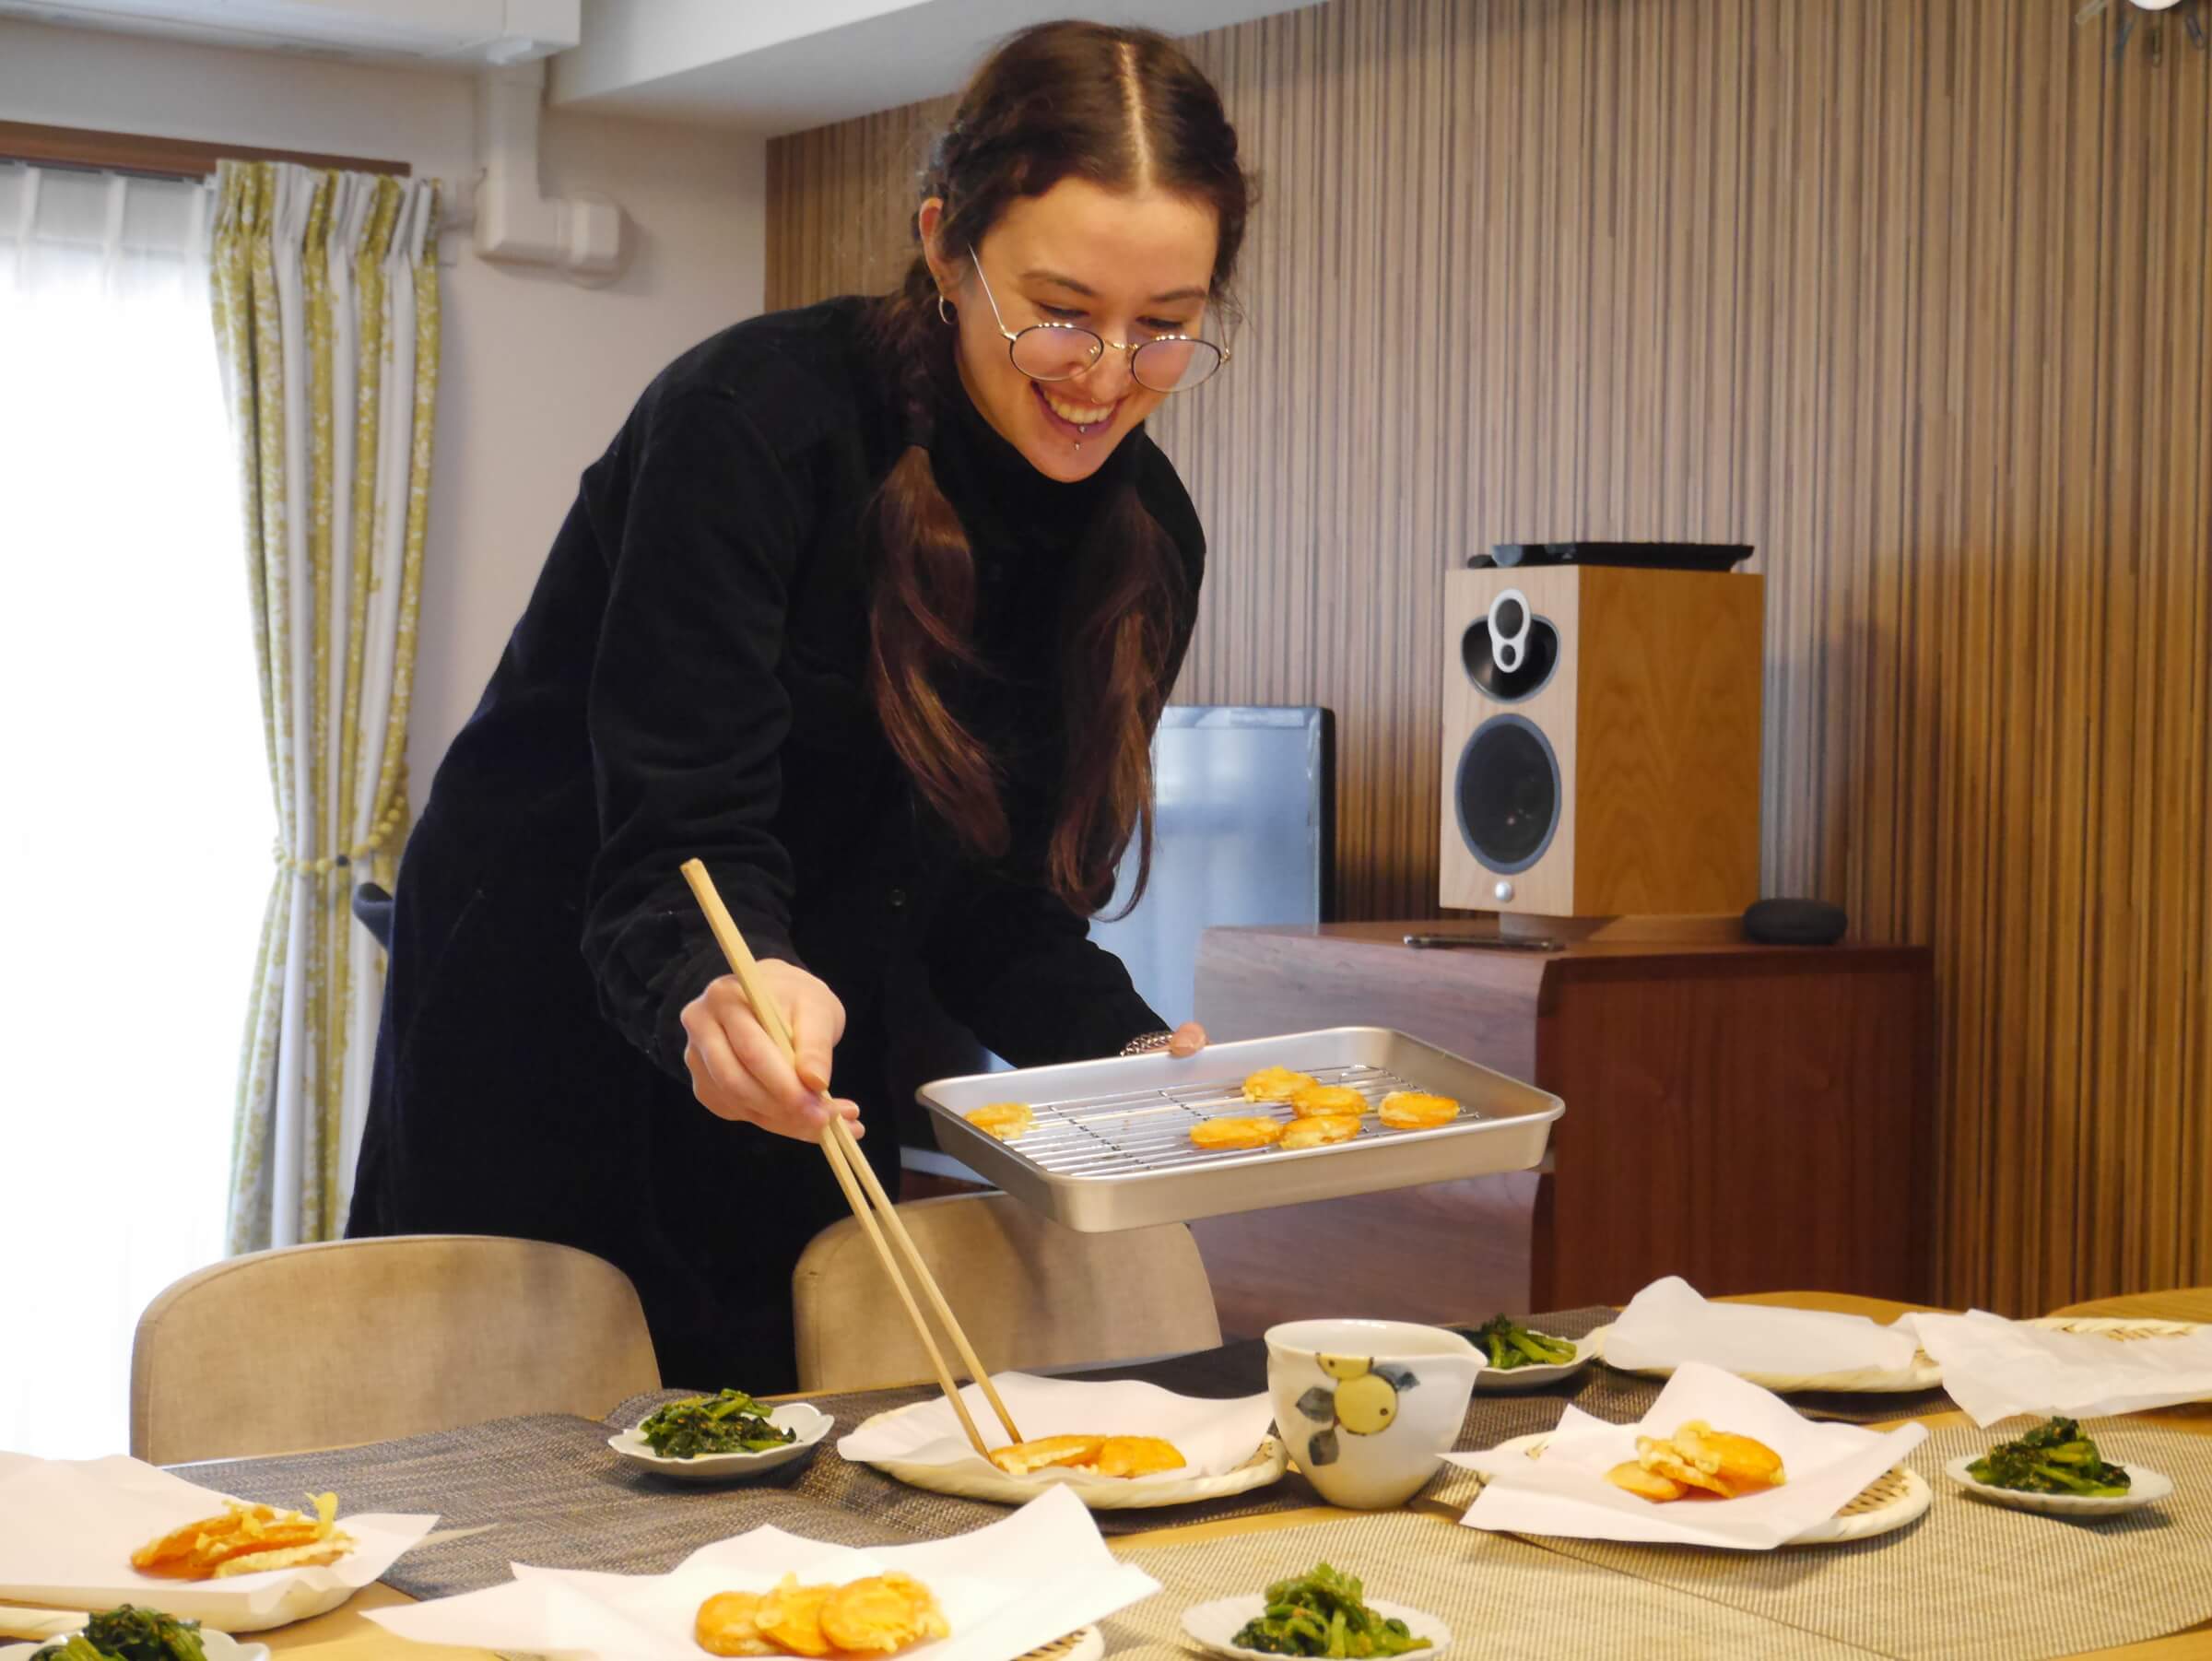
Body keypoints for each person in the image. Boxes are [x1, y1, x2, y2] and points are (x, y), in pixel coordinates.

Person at [347, 20, 1254, 1391]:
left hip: (809, 1021)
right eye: (1060, 310)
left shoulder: (1145, 542)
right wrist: (729, 979)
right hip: (559, 989)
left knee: (794, 1436)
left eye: (1166, 326)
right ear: (946, 245)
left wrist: (1135, 1058)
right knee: (516, 1460)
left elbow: (991, 900)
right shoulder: (753, 426)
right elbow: (673, 842)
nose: (1108, 374)